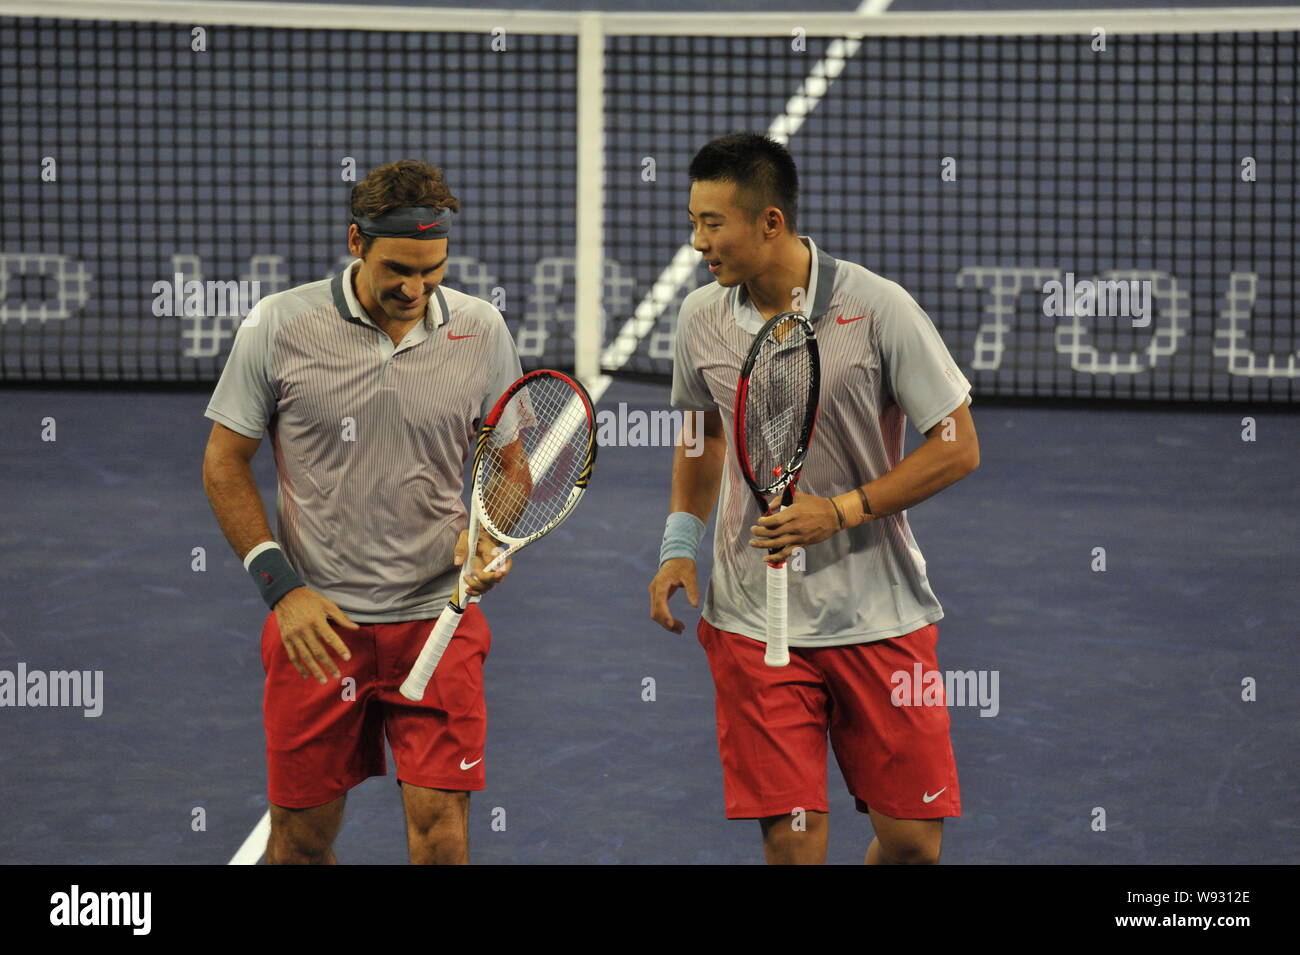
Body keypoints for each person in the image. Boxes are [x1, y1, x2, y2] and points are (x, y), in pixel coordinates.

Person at [648, 132, 980, 865]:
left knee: (913, 847)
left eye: (713, 223)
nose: (697, 241)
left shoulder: (878, 307)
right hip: (751, 624)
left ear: (770, 222)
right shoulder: (699, 317)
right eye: (693, 221)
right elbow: (700, 433)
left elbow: (958, 445)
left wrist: (840, 510)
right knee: (796, 848)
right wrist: (678, 544)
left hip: (879, 615)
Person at [202, 159, 522, 864]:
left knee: (442, 833)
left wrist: (489, 533)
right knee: (300, 843)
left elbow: (510, 466)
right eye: (398, 269)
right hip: (320, 628)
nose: (416, 289)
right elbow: (224, 461)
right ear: (356, 242)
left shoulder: (481, 329)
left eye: (432, 270)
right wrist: (282, 590)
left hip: (439, 622)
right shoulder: (279, 326)